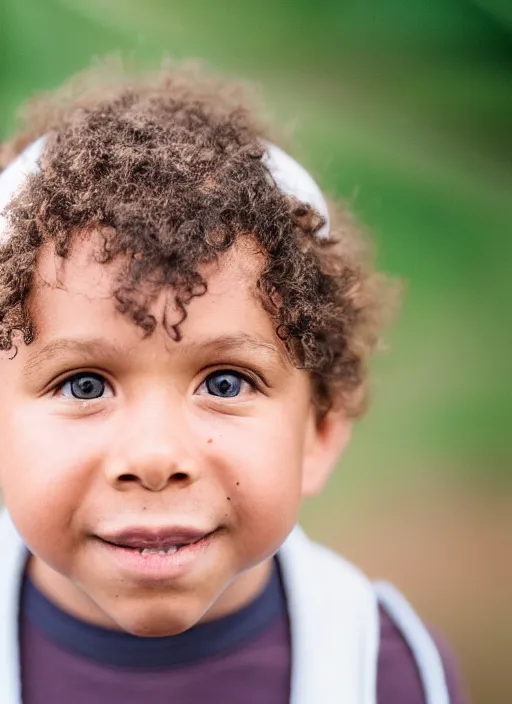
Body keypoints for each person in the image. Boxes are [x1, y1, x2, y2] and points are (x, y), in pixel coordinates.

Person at [0, 62, 468, 704]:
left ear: (320, 431)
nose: (155, 458)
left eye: (225, 383)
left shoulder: (387, 672)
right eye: (84, 385)